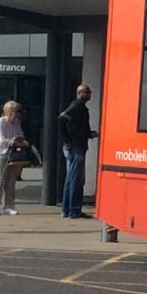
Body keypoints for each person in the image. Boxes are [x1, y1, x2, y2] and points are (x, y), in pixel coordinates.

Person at [0, 100, 36, 216]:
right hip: (1, 154)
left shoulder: (17, 122)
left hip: (13, 154)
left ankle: (9, 206)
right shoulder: (0, 122)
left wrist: (20, 140)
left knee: (11, 181)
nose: (19, 114)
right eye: (17, 111)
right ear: (10, 111)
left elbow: (21, 135)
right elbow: (0, 139)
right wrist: (12, 141)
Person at [57, 82, 93, 220]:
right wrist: (67, 140)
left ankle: (67, 210)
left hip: (74, 145)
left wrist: (89, 134)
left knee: (70, 179)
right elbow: (61, 119)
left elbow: (77, 127)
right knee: (76, 179)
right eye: (86, 92)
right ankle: (74, 210)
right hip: (76, 146)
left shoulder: (79, 107)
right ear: (79, 93)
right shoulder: (76, 106)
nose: (89, 94)